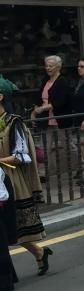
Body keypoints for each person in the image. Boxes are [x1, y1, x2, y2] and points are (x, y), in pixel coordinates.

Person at [0, 76, 50, 276]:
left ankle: (38, 252)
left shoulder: (14, 122)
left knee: (15, 226)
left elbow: (22, 155)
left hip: (10, 179)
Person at [31, 55, 73, 181]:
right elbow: (39, 98)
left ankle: (82, 168)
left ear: (58, 67)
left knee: (69, 146)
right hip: (46, 120)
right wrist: (34, 112)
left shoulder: (62, 81)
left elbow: (60, 101)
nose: (48, 68)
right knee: (45, 148)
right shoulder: (45, 80)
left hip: (59, 119)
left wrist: (43, 108)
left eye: (51, 66)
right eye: (46, 65)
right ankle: (43, 174)